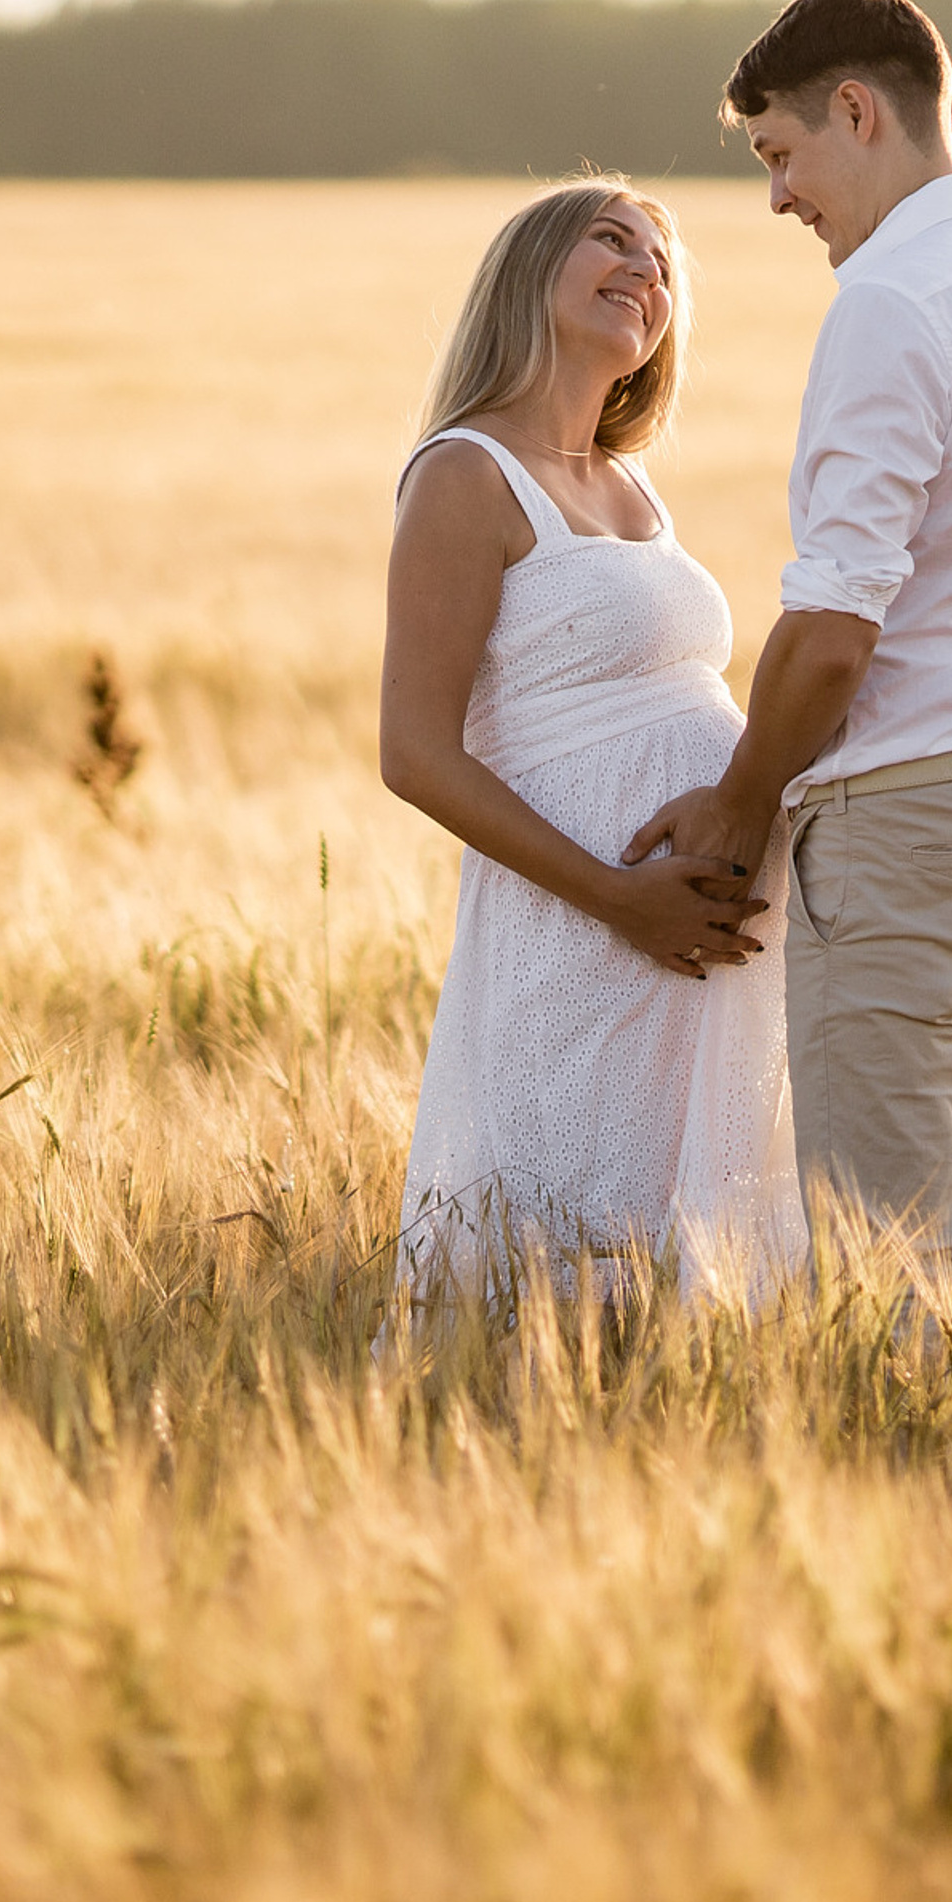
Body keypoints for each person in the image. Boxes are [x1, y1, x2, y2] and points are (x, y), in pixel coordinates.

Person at [625, 0, 952, 1288]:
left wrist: (740, 807)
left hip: (911, 832)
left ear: (858, 111)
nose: (780, 199)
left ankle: (903, 1485)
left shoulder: (892, 304)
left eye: (781, 156)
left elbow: (835, 634)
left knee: (881, 1275)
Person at [379, 179, 808, 1298]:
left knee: (701, 1252)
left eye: (662, 262)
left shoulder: (630, 486)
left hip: (706, 932)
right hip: (586, 925)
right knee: (569, 1251)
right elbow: (415, 752)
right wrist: (620, 898)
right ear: (529, 273)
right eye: (610, 241)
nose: (645, 271)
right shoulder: (466, 473)